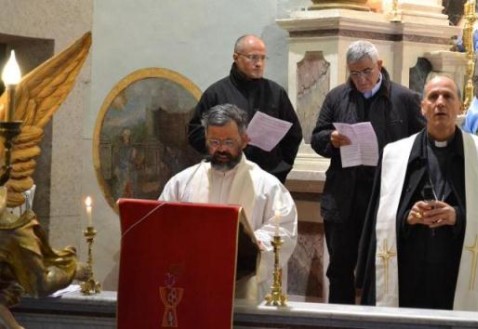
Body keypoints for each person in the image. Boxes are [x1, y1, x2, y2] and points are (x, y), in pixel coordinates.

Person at [356, 76, 478, 312]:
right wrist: (407, 218)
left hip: (457, 270)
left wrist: (458, 217)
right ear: (422, 107)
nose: (440, 102)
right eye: (433, 97)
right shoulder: (394, 155)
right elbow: (377, 224)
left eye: (448, 96)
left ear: (461, 106)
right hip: (409, 277)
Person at [311, 40, 425, 304]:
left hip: (385, 196)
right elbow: (316, 137)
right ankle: (340, 321)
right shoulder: (337, 96)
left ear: (379, 66)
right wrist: (331, 138)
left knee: (380, 267)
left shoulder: (404, 98)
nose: (361, 79)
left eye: (366, 71)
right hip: (343, 197)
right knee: (339, 269)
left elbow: (421, 144)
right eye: (354, 73)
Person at [160, 103, 298, 302]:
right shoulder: (183, 182)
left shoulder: (267, 186)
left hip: (244, 287)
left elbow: (283, 228)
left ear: (244, 140)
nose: (221, 149)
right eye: (214, 141)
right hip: (194, 281)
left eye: (229, 142)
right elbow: (163, 223)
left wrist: (254, 242)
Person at [187, 34, 303, 184]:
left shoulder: (276, 93)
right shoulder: (216, 93)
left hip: (268, 176)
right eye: (253, 57)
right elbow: (195, 133)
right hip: (224, 175)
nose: (259, 63)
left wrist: (281, 168)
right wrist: (224, 144)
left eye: (263, 58)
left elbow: (293, 135)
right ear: (236, 57)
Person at [0, 186, 90, 329]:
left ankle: (68, 266)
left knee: (38, 284)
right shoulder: (12, 231)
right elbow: (39, 285)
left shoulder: (12, 230)